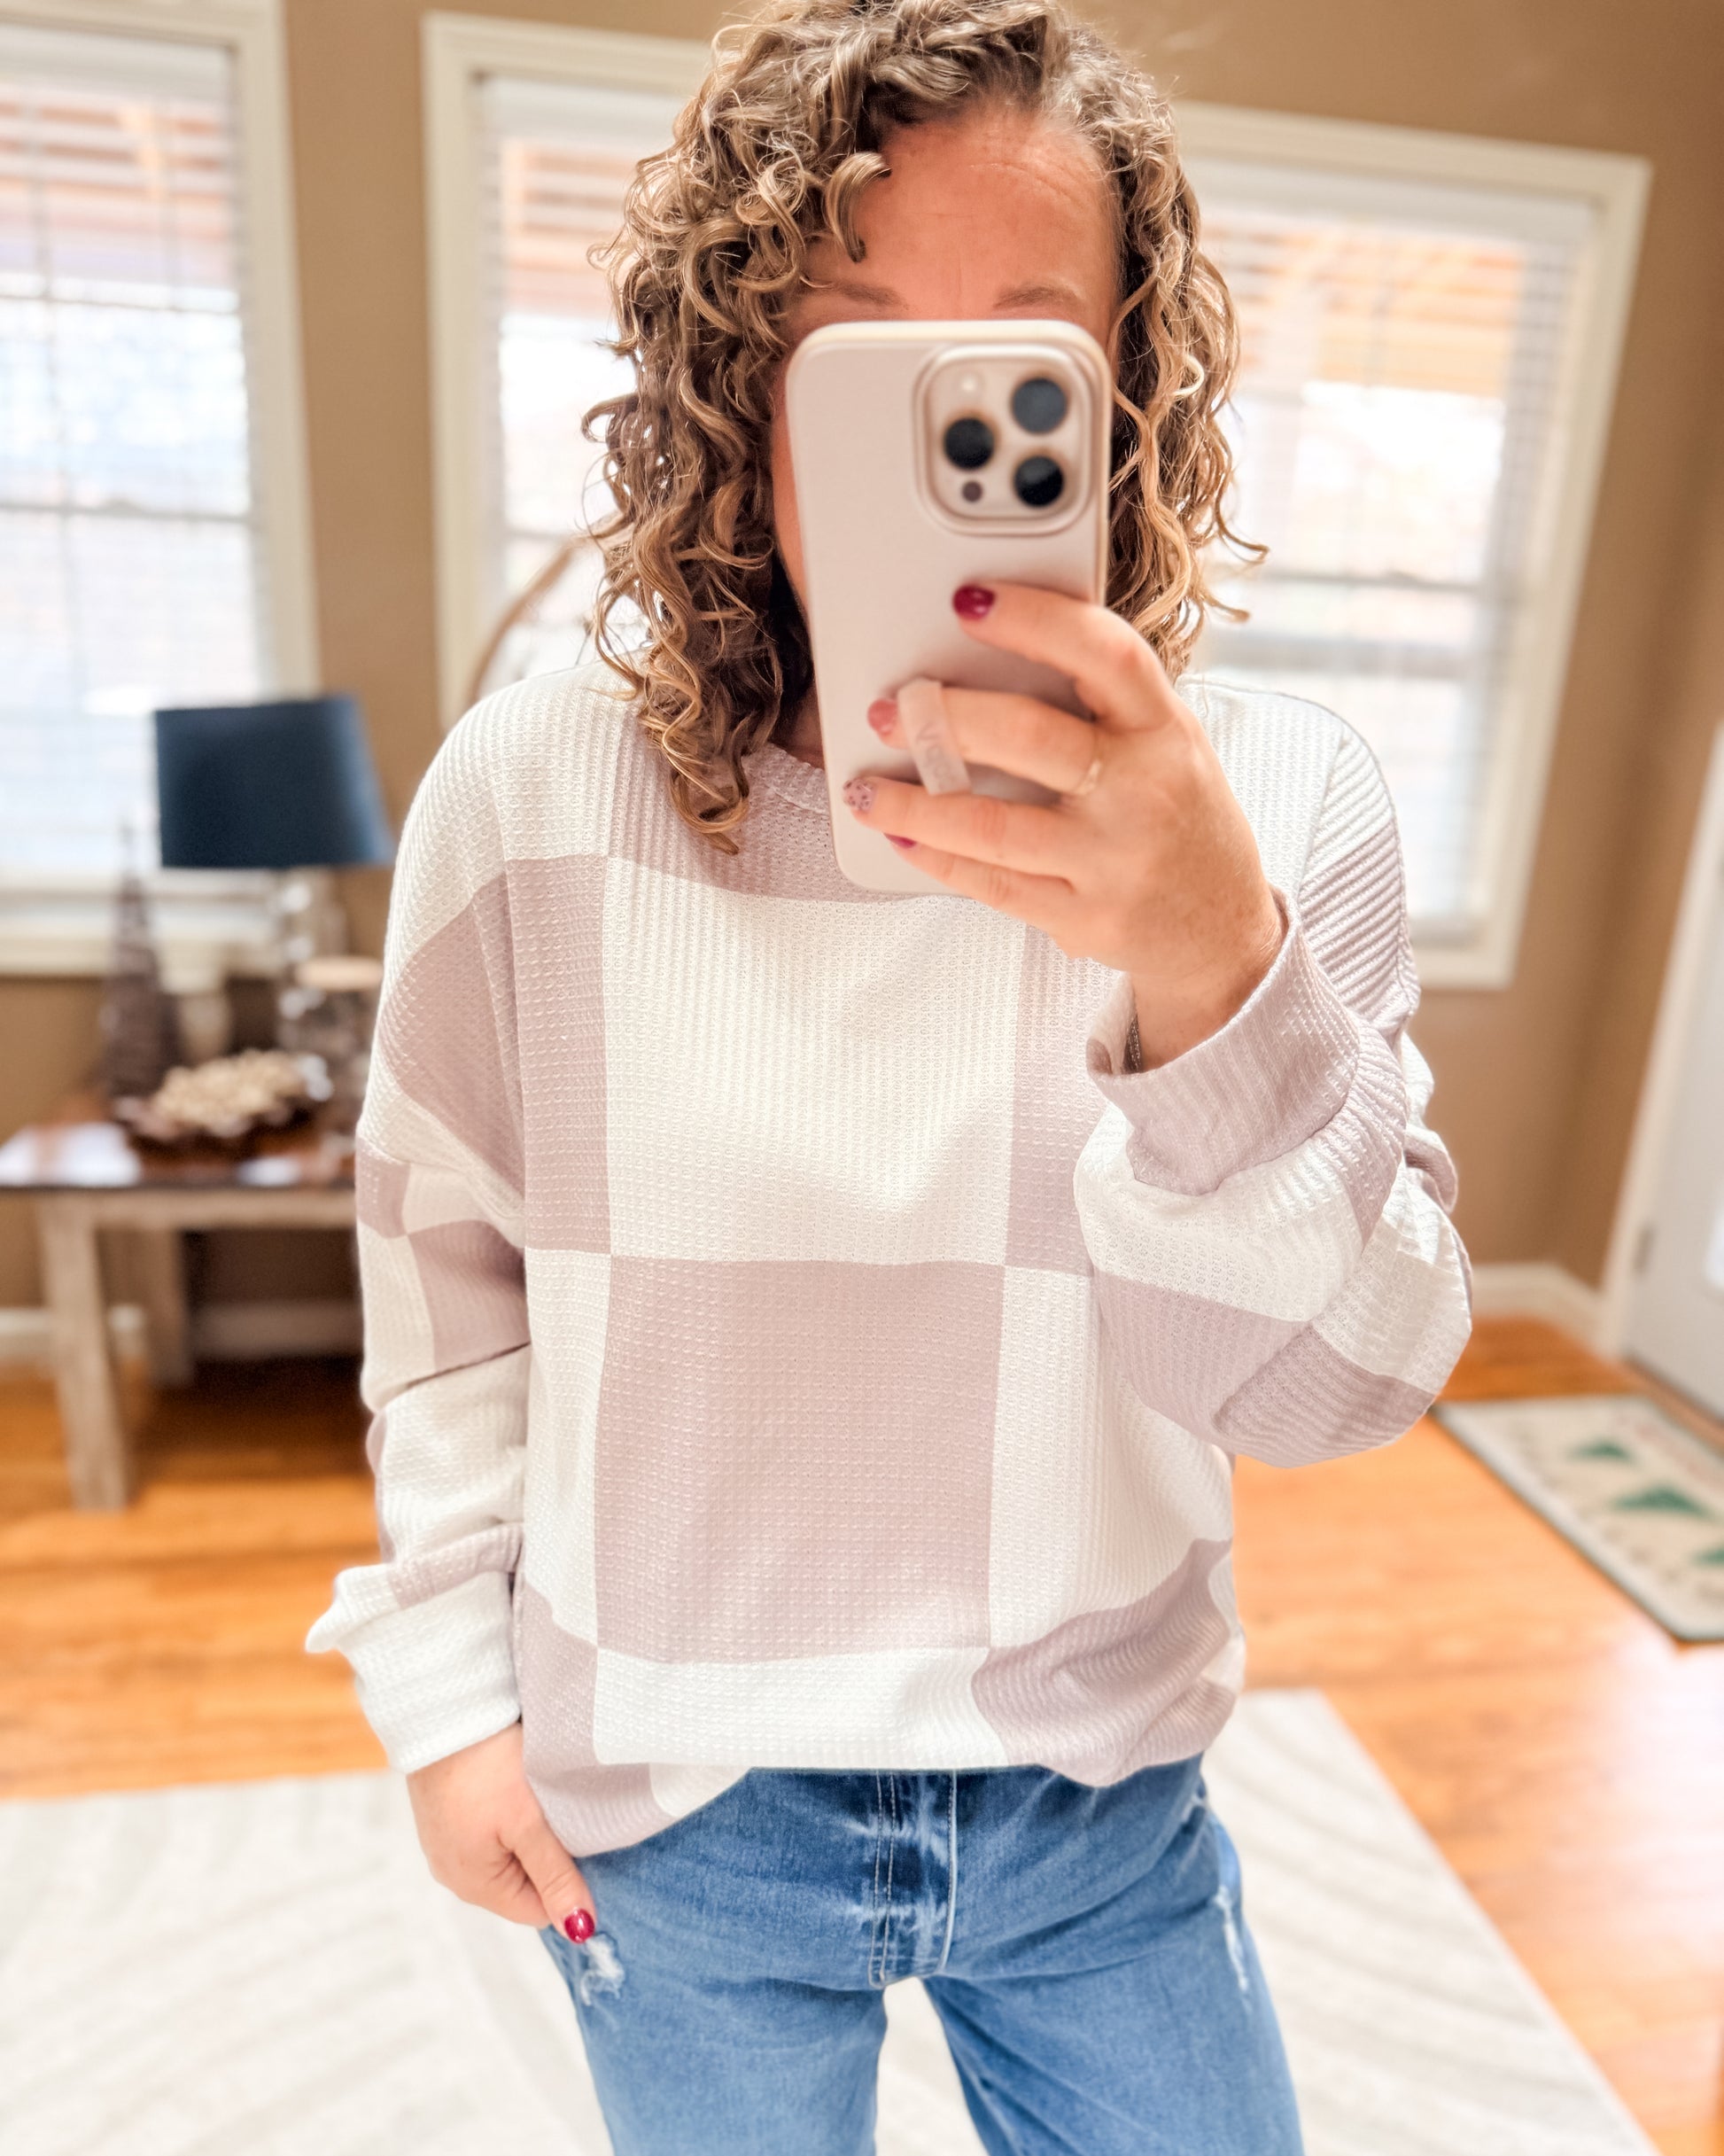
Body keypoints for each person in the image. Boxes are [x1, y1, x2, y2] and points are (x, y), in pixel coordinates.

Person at [310, 3, 1472, 2148]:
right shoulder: (536, 794)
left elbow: (1334, 1393)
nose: (939, 430)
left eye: (1022, 358)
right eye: (854, 355)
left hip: (1100, 1791)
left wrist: (1206, 959)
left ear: (1126, 402)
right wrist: (448, 1704)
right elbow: (445, 1292)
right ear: (736, 398)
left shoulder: (1278, 803)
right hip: (670, 1796)